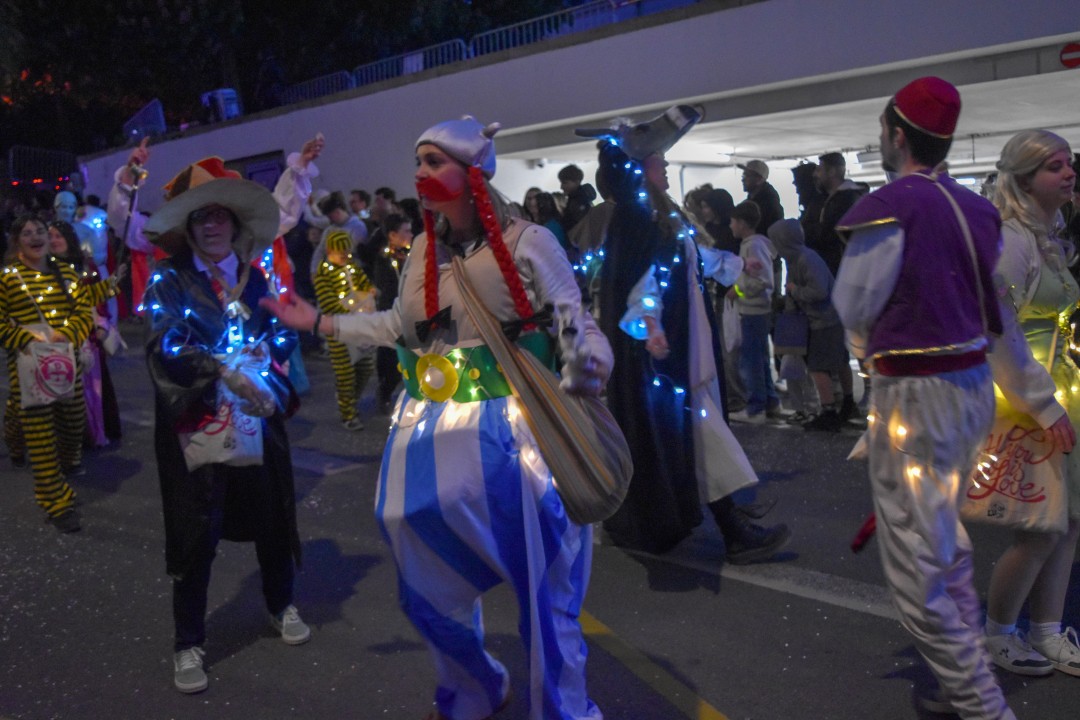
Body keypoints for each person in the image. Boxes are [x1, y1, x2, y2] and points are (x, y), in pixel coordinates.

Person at [261, 116, 609, 720]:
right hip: (427, 430)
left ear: (472, 172)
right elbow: (400, 328)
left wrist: (590, 363)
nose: (419, 173)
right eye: (417, 162)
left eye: (433, 162)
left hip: (518, 433)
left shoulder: (531, 241)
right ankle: (473, 688)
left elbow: (572, 317)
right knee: (423, 586)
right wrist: (319, 323)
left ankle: (565, 712)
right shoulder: (423, 247)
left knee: (546, 596)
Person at [832, 76, 1037, 719]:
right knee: (941, 537)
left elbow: (853, 305)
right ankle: (963, 681)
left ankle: (981, 704)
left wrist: (872, 357)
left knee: (917, 568)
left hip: (916, 396)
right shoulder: (977, 209)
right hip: (970, 386)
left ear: (896, 134)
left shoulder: (892, 205)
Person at [140, 154, 311, 695]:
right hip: (198, 424)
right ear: (188, 228)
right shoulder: (170, 280)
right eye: (200, 217)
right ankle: (188, 642)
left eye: (220, 215)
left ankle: (280, 604)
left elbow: (283, 341)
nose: (212, 225)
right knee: (197, 535)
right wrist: (220, 372)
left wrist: (271, 383)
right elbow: (165, 344)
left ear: (235, 223)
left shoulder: (255, 277)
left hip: (260, 419)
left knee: (272, 518)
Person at [589, 105, 791, 562]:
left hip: (686, 343)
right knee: (702, 433)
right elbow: (644, 282)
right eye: (657, 161)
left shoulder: (659, 215)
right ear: (640, 170)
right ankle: (733, 528)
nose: (664, 167)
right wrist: (651, 326)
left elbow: (692, 259)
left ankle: (729, 520)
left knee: (698, 434)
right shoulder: (638, 219)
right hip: (668, 354)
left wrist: (739, 265)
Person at [979, 129, 1080, 678]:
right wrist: (1042, 404)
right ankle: (997, 635)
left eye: (1068, 164)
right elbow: (998, 333)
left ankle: (1045, 631)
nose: (1067, 173)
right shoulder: (1013, 240)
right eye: (1053, 167)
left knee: (1067, 525)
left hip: (1059, 391)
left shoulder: (1046, 233)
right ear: (1022, 180)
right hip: (1028, 402)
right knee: (1039, 528)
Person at [0, 216, 94, 532]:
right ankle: (56, 502)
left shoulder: (67, 273)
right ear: (17, 241)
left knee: (73, 423)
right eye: (27, 233)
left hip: (65, 361)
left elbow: (83, 313)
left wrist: (69, 332)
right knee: (40, 439)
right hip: (27, 366)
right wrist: (26, 338)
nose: (35, 237)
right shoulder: (7, 278)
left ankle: (61, 459)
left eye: (40, 231)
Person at [48, 220, 125, 447]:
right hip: (57, 340)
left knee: (92, 392)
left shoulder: (84, 267)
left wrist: (102, 325)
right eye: (50, 236)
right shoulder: (43, 269)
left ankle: (88, 434)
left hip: (85, 339)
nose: (53, 241)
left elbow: (95, 300)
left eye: (58, 236)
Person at [768, 218, 849, 431]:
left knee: (818, 367)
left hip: (824, 320)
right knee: (833, 363)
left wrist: (795, 290)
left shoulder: (806, 259)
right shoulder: (797, 259)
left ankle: (829, 411)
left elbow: (819, 291)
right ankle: (839, 406)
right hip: (820, 320)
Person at [313, 229, 376, 430]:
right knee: (345, 373)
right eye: (342, 253)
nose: (346, 257)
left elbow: (365, 284)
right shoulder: (322, 275)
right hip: (337, 330)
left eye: (348, 253)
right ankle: (348, 413)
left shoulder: (352, 268)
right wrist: (355, 308)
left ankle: (350, 400)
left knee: (365, 367)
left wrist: (370, 293)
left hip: (359, 327)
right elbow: (328, 303)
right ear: (331, 250)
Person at [727, 200, 781, 424]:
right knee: (759, 358)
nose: (730, 226)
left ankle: (755, 408)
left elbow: (762, 280)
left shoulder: (753, 246)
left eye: (732, 222)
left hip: (753, 310)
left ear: (742, 223)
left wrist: (738, 289)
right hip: (758, 309)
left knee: (751, 360)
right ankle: (770, 402)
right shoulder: (755, 245)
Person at [369, 213, 412, 414]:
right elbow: (387, 288)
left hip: (410, 312)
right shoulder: (385, 259)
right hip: (392, 312)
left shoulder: (412, 256)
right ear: (393, 235)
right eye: (406, 231)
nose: (411, 234)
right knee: (390, 356)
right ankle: (385, 391)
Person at [558, 163, 597, 233]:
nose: (561, 187)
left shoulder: (578, 202)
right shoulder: (580, 199)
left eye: (565, 183)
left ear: (577, 182)